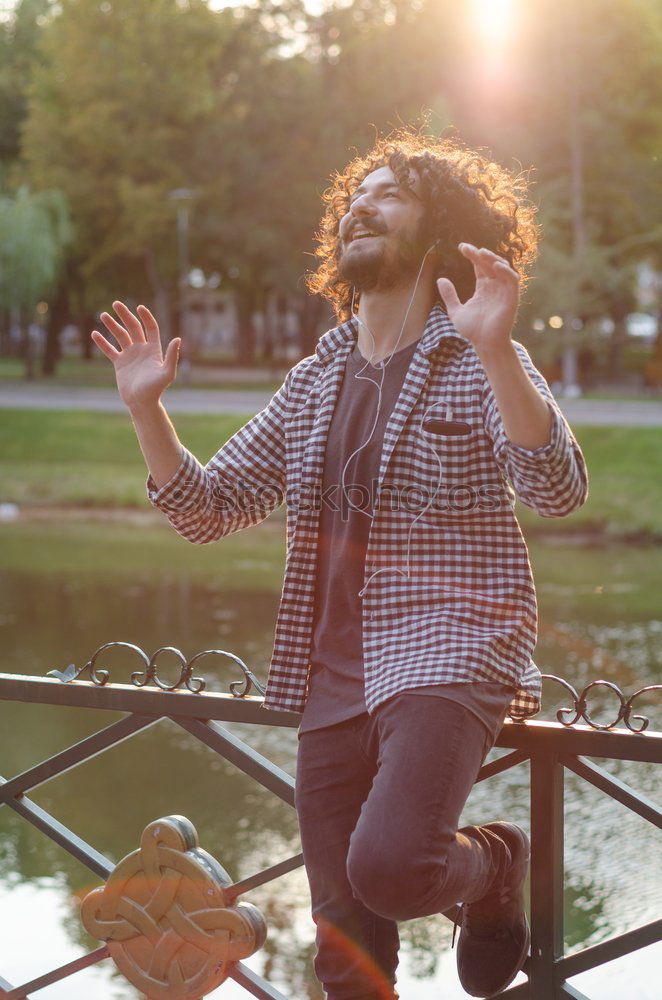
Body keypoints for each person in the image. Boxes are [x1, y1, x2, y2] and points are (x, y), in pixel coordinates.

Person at [92, 131, 588, 1000]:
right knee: (344, 950)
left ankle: (495, 864)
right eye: (358, 191)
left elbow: (557, 488)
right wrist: (145, 411)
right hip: (329, 681)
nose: (364, 201)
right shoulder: (317, 375)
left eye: (391, 192)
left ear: (439, 223)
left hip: (448, 654)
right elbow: (209, 509)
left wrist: (500, 349)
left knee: (392, 869)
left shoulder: (474, 348)